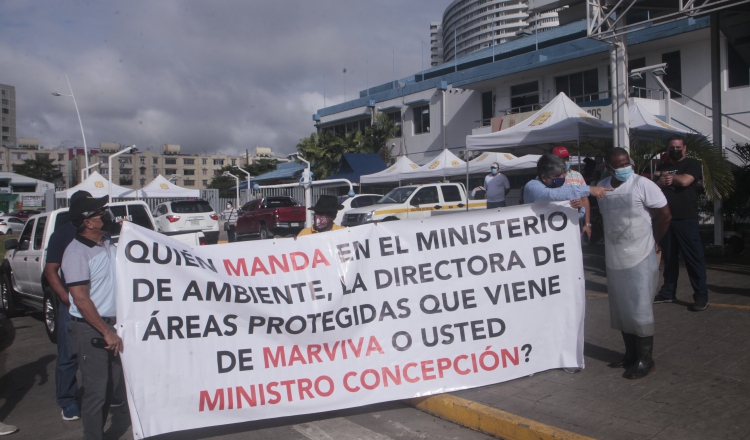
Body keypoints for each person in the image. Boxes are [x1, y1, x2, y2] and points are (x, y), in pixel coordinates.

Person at [598, 148, 671, 380]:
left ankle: (646, 359)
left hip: (640, 255)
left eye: (626, 163)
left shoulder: (643, 185)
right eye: (618, 165)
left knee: (640, 307)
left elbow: (665, 215)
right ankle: (630, 354)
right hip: (615, 256)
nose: (624, 168)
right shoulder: (602, 186)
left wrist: (655, 241)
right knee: (621, 307)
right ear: (608, 167)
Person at [62, 191, 123, 440]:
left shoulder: (107, 242)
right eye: (101, 214)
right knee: (96, 390)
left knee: (111, 387)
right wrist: (106, 331)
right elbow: (81, 298)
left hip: (114, 325)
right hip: (92, 329)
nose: (107, 216)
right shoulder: (77, 253)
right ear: (87, 222)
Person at [654, 134, 709, 311]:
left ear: (685, 148)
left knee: (693, 259)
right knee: (669, 259)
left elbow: (686, 180)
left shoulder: (692, 164)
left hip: (686, 219)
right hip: (666, 219)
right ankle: (668, 292)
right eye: (672, 148)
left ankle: (701, 296)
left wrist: (666, 177)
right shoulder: (663, 166)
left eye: (678, 147)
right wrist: (660, 179)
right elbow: (653, 185)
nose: (675, 151)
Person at [43, 192, 85, 421]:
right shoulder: (62, 234)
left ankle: (112, 394)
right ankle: (67, 400)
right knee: (68, 355)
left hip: (99, 303)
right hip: (71, 304)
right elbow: (51, 271)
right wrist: (67, 299)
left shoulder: (103, 232)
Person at [524, 154, 611, 204]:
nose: (562, 178)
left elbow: (579, 216)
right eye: (557, 175)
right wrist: (589, 189)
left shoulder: (565, 188)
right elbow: (550, 195)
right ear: (544, 177)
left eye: (564, 174)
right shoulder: (532, 186)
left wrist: (579, 208)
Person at [552, 146, 592, 240]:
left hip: (575, 223)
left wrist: (587, 224)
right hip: (554, 223)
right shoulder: (548, 177)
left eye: (567, 158)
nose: (565, 161)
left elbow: (585, 199)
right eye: (562, 159)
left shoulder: (577, 175)